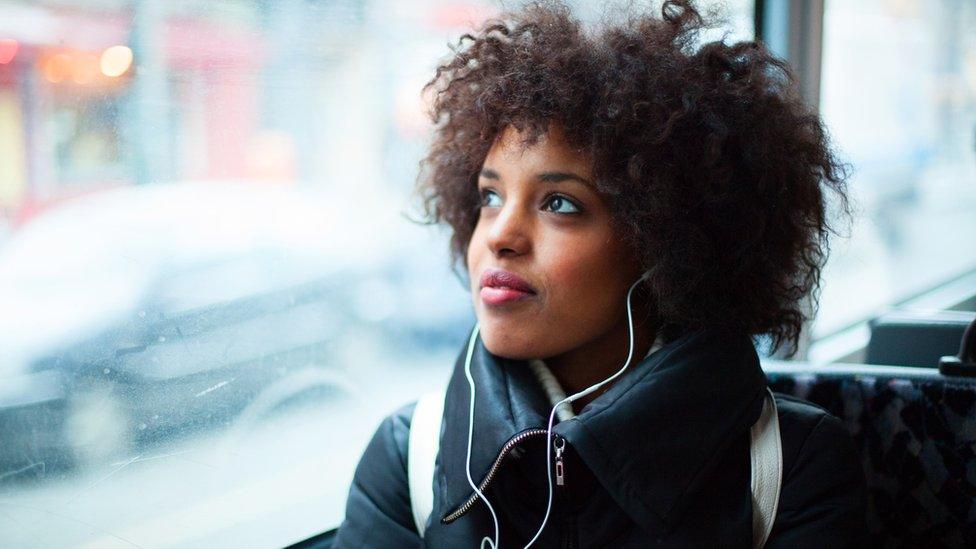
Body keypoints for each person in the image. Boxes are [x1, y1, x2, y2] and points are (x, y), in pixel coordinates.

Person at [333, 0, 865, 546]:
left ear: (667, 242)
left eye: (559, 203)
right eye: (490, 196)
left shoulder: (788, 468)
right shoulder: (411, 459)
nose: (499, 234)